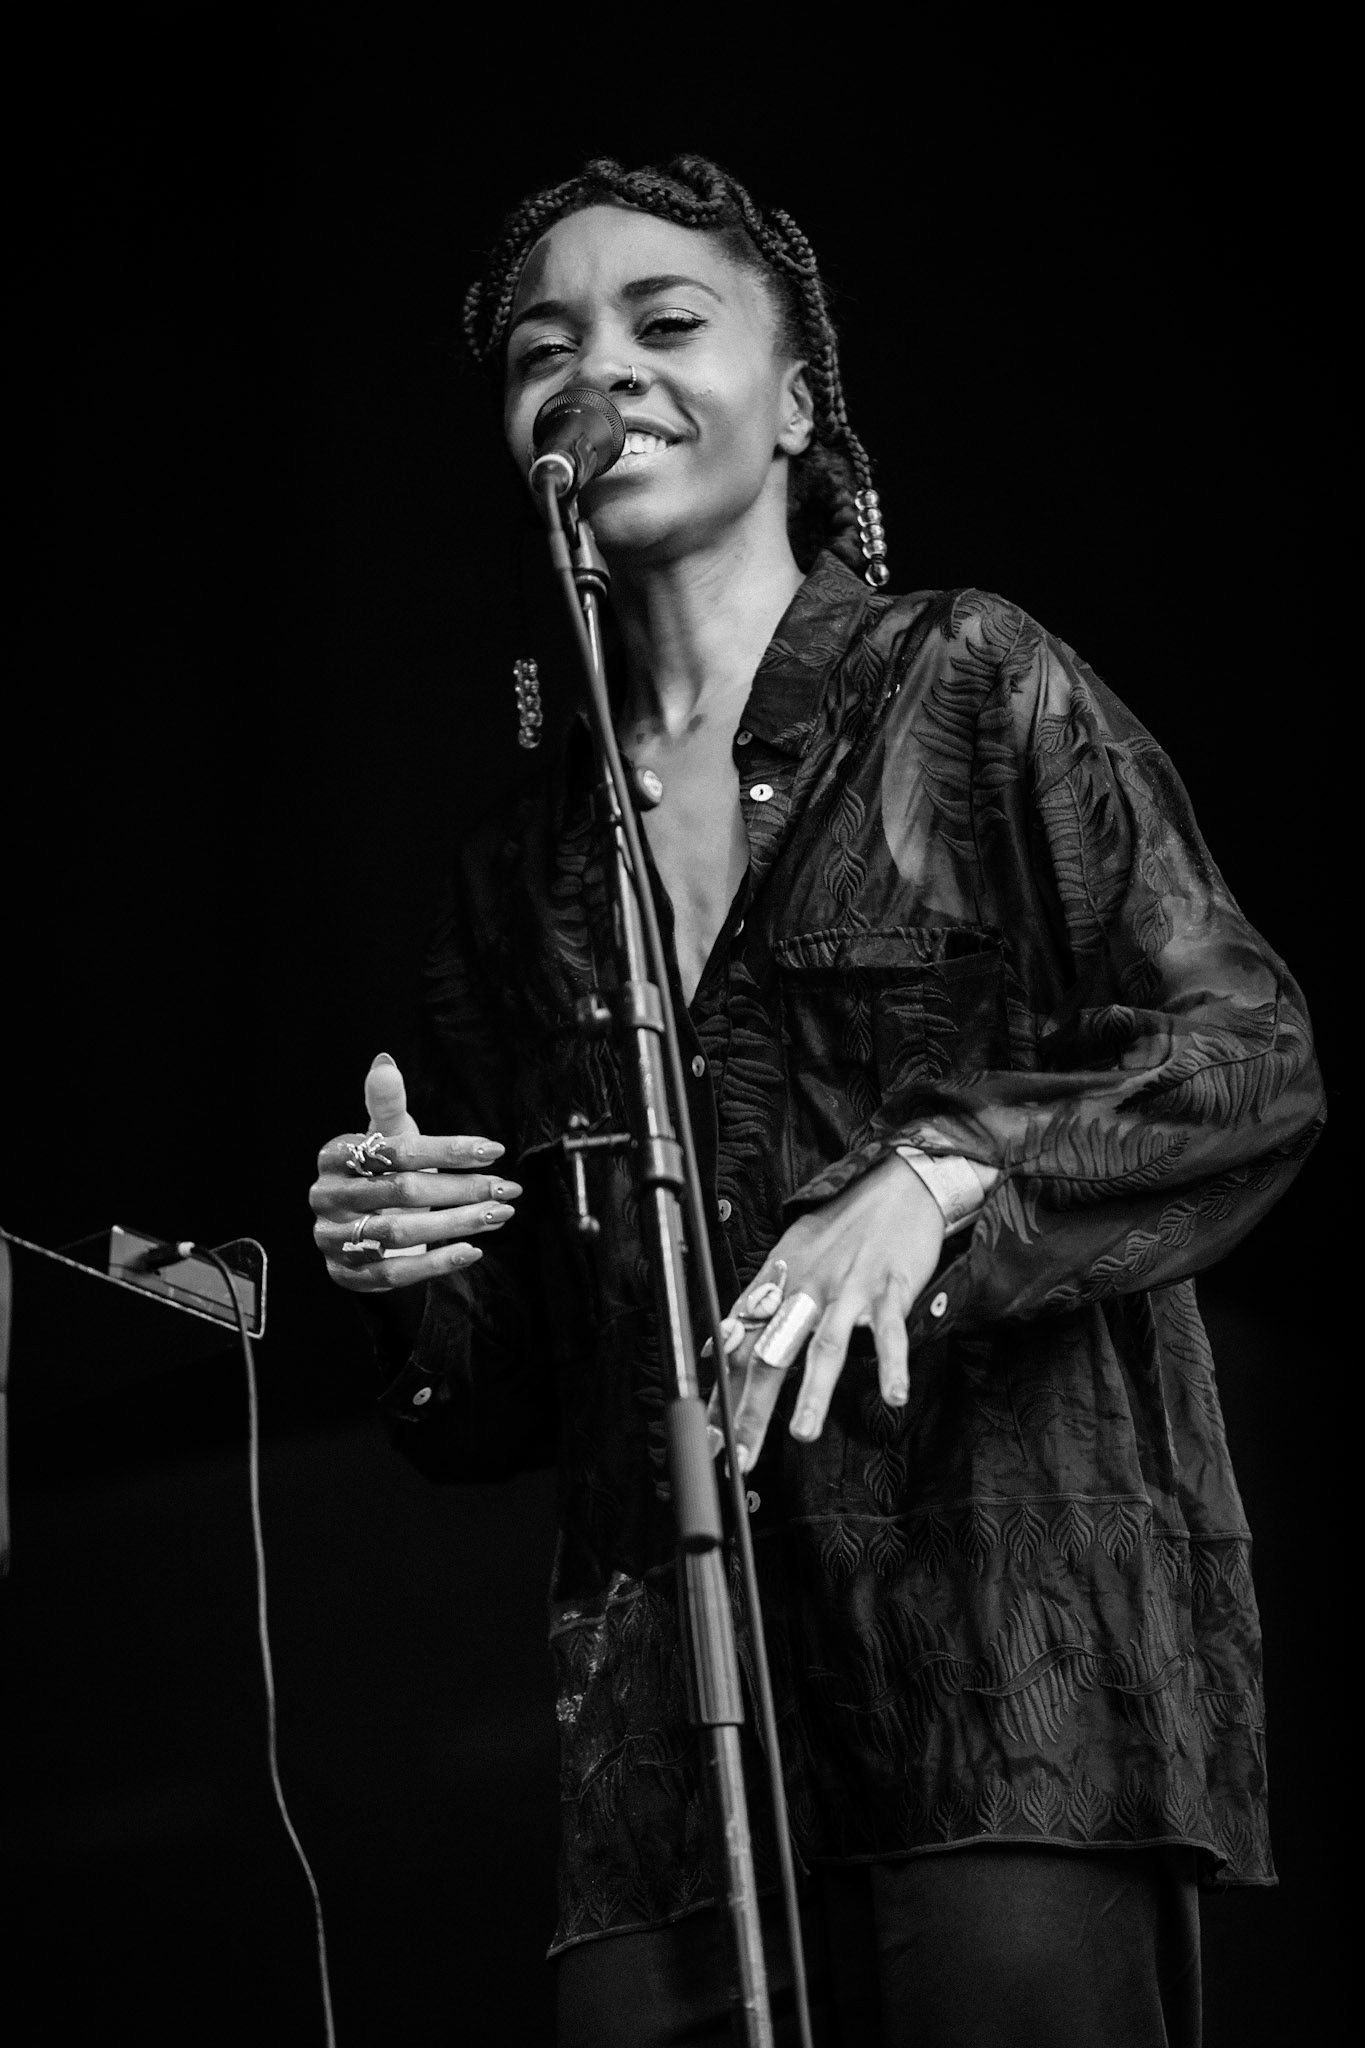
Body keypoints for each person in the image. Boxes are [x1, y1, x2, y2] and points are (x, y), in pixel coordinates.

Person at [307, 156, 1323, 2047]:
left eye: (664, 324)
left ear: (795, 407)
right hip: (664, 1770)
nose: (595, 371)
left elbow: (1247, 1054)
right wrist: (411, 1272)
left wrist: (939, 1167)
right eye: (545, 348)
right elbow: (499, 1396)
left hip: (1002, 1686)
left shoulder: (968, 678)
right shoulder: (517, 866)